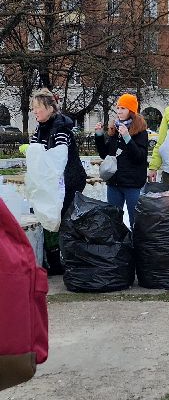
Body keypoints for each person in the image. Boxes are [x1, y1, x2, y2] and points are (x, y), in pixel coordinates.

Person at [29, 88, 87, 273]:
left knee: (61, 220)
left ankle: (67, 259)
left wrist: (36, 152)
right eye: (33, 108)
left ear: (49, 108)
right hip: (52, 182)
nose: (35, 111)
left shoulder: (61, 129)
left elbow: (57, 158)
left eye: (38, 107)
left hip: (68, 181)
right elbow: (36, 153)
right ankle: (54, 260)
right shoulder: (40, 128)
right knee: (47, 217)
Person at [95, 93, 148, 227]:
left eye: (123, 108)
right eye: (118, 108)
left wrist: (127, 138)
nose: (119, 111)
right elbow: (104, 154)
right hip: (114, 183)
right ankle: (117, 246)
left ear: (131, 111)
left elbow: (139, 157)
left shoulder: (141, 132)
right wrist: (99, 135)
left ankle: (135, 245)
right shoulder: (115, 128)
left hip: (132, 183)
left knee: (134, 220)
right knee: (113, 220)